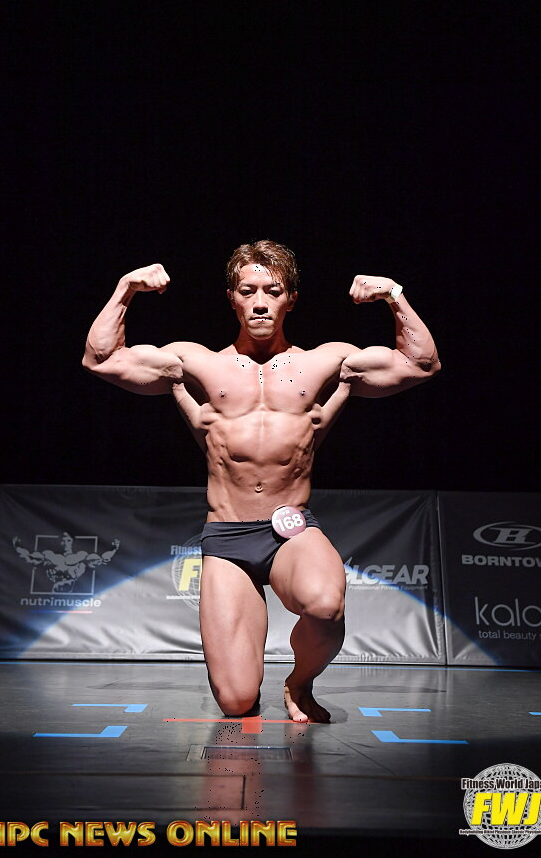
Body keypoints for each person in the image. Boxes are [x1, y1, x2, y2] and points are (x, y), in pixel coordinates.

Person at [82, 240, 441, 723]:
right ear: (232, 298)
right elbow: (101, 359)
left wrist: (394, 294)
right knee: (236, 701)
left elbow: (421, 364)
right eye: (248, 290)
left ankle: (299, 683)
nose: (259, 302)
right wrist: (126, 288)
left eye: (272, 291)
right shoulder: (196, 364)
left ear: (290, 299)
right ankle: (251, 677)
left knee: (325, 604)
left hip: (290, 528)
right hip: (227, 535)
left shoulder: (325, 363)